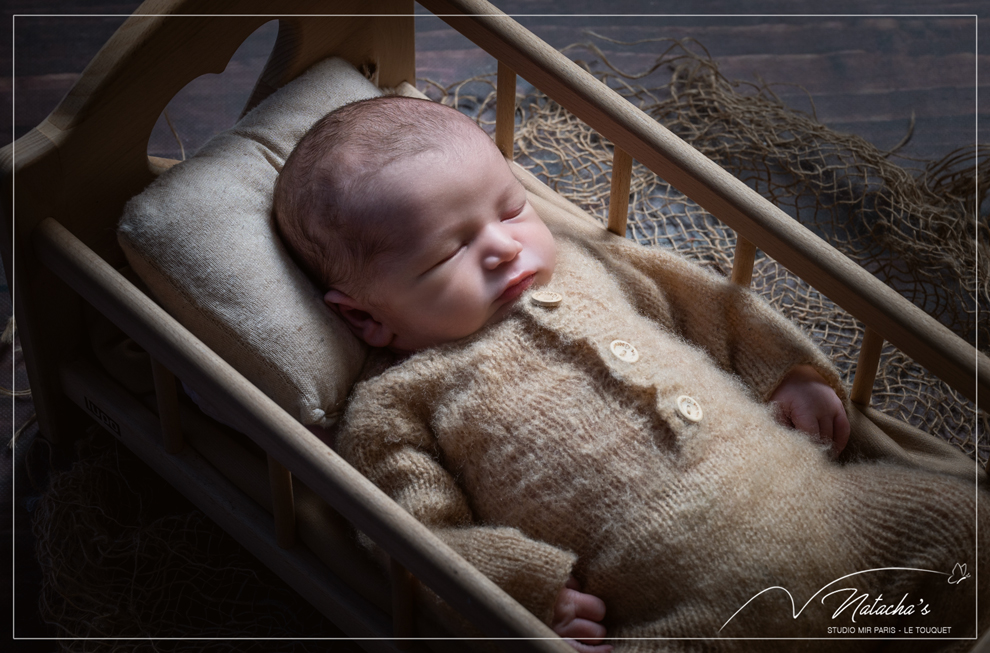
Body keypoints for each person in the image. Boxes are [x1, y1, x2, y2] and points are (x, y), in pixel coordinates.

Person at [274, 95, 986, 652]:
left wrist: (786, 371)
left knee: (966, 525)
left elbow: (706, 302)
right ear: (368, 318)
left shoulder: (587, 263)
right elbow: (415, 534)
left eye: (511, 208)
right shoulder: (398, 402)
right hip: (691, 615)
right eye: (447, 253)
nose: (503, 246)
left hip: (838, 517)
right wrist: (525, 588)